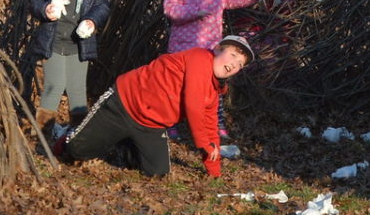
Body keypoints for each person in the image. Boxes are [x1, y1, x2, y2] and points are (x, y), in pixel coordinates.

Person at [55, 36, 255, 178]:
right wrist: (202, 142)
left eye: (239, 64)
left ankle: (124, 142)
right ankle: (66, 135)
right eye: (232, 55)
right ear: (218, 49)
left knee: (158, 172)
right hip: (123, 104)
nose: (234, 64)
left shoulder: (215, 90)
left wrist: (214, 170)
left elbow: (210, 124)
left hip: (151, 125)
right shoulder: (200, 57)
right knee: (76, 150)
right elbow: (193, 104)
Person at [163, 0, 272, 138]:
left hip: (209, 51)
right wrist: (195, 12)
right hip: (182, 51)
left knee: (213, 88)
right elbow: (170, 9)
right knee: (178, 87)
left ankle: (216, 123)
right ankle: (170, 123)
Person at [27, 0, 112, 134]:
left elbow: (102, 6)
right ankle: (42, 133)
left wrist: (91, 21)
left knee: (76, 88)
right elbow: (35, 3)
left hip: (79, 45)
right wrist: (47, 9)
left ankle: (78, 134)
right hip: (54, 42)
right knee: (52, 86)